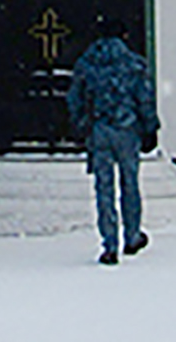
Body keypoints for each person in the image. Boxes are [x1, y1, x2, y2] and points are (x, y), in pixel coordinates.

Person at [67, 22, 159, 265]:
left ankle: (109, 244)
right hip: (127, 129)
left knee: (103, 187)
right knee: (130, 184)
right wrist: (150, 127)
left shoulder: (87, 64)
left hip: (99, 130)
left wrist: (81, 124)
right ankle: (132, 235)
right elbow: (145, 99)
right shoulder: (133, 64)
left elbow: (75, 98)